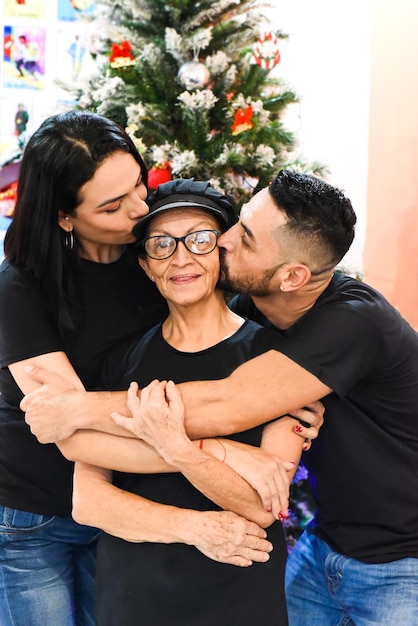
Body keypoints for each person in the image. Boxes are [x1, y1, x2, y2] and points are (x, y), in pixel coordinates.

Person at [23, 170, 418, 625]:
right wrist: (220, 463)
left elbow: (229, 411)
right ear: (146, 263)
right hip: (322, 545)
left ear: (293, 276)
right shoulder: (253, 309)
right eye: (162, 245)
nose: (226, 241)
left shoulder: (338, 330)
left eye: (241, 238)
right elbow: (88, 489)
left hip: (399, 562)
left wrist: (77, 407)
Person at [0, 111, 317, 625]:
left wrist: (283, 392)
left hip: (125, 510)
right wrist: (217, 451)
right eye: (113, 205)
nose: (140, 208)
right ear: (64, 216)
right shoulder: (21, 289)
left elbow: (217, 333)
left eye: (138, 185)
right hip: (35, 514)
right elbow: (72, 435)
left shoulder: (148, 255)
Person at [67, 178, 307, 625]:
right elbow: (89, 501)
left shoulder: (278, 359)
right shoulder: (120, 363)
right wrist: (195, 528)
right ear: (145, 266)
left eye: (200, 239)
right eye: (161, 244)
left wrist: (179, 449)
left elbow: (263, 504)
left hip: (239, 593)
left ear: (223, 250)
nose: (181, 257)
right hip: (135, 597)